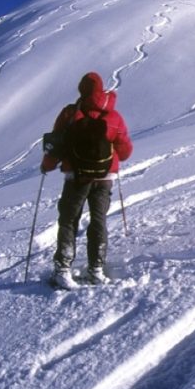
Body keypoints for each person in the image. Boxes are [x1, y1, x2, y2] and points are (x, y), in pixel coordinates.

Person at [41, 72, 132, 289]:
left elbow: (58, 143)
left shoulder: (70, 113)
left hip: (76, 176)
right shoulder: (114, 117)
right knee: (98, 220)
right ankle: (96, 270)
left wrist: (47, 165)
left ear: (81, 89)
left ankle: (63, 269)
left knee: (69, 220)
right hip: (105, 177)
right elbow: (126, 150)